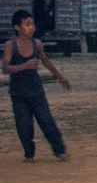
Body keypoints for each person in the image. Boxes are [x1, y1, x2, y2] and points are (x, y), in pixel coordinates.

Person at [3, 10, 71, 162]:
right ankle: (29, 154)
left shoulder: (37, 44)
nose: (31, 28)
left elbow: (45, 61)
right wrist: (24, 65)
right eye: (27, 25)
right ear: (17, 28)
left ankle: (60, 150)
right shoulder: (10, 46)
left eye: (32, 24)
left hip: (36, 91)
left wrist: (60, 77)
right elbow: (5, 68)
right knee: (24, 125)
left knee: (47, 121)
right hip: (18, 93)